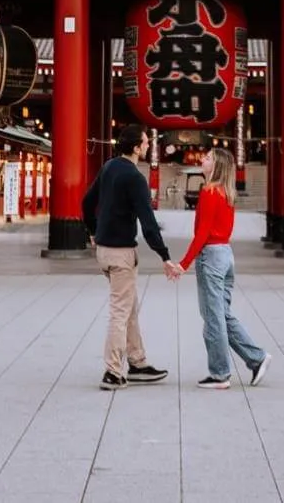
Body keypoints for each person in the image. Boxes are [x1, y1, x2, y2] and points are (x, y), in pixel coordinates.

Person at [82, 123, 180, 390]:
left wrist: (92, 230)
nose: (148, 146)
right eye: (146, 142)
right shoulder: (135, 178)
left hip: (104, 250)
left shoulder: (109, 167)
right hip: (122, 253)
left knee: (129, 308)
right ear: (137, 147)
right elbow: (148, 223)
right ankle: (113, 371)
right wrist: (165, 256)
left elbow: (87, 202)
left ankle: (137, 362)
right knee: (120, 312)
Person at [179, 147, 271, 390]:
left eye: (207, 157)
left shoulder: (209, 192)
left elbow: (202, 233)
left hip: (211, 256)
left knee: (213, 317)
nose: (203, 159)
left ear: (216, 166)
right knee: (221, 314)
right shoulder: (226, 193)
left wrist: (183, 264)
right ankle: (256, 358)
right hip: (225, 255)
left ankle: (220, 373)